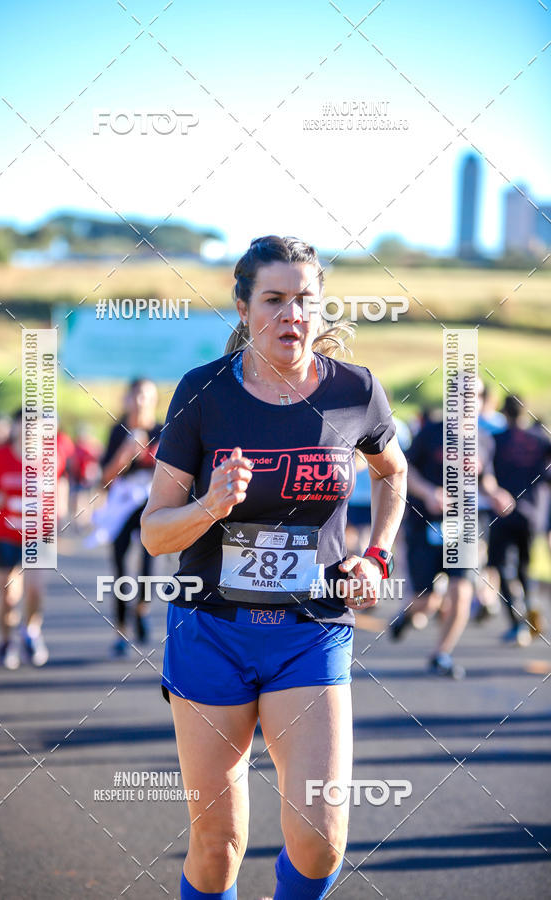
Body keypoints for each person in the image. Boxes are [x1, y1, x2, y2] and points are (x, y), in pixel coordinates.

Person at [141, 236, 407, 900]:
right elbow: (153, 532)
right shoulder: (203, 392)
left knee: (319, 841)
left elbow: (394, 475)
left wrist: (376, 555)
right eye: (275, 299)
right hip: (212, 630)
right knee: (217, 847)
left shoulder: (355, 391)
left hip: (310, 630)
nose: (293, 315)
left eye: (306, 301)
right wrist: (211, 503)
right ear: (243, 305)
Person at [392, 398, 514, 678]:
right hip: (426, 525)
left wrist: (496, 494)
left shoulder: (484, 439)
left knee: (462, 590)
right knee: (427, 600)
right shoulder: (430, 432)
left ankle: (441, 655)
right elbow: (403, 471)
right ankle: (408, 615)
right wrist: (428, 493)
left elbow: (486, 478)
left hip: (464, 526)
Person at [0, 410, 48, 669]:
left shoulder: (50, 459)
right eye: (26, 424)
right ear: (17, 427)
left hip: (38, 536)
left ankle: (31, 632)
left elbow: (60, 486)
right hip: (4, 534)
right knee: (8, 596)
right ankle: (6, 641)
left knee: (35, 590)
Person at [100, 378, 162, 656]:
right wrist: (127, 452)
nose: (140, 402)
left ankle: (142, 609)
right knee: (121, 566)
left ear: (154, 400)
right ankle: (121, 629)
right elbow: (105, 477)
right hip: (122, 506)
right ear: (128, 399)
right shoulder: (117, 431)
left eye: (146, 396)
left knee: (149, 564)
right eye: (136, 396)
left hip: (151, 504)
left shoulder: (163, 430)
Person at [487, 394, 551, 645]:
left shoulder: (496, 440)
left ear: (504, 413)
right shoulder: (540, 440)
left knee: (503, 568)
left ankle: (516, 622)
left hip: (502, 513)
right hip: (532, 513)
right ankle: (530, 603)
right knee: (524, 566)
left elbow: (484, 474)